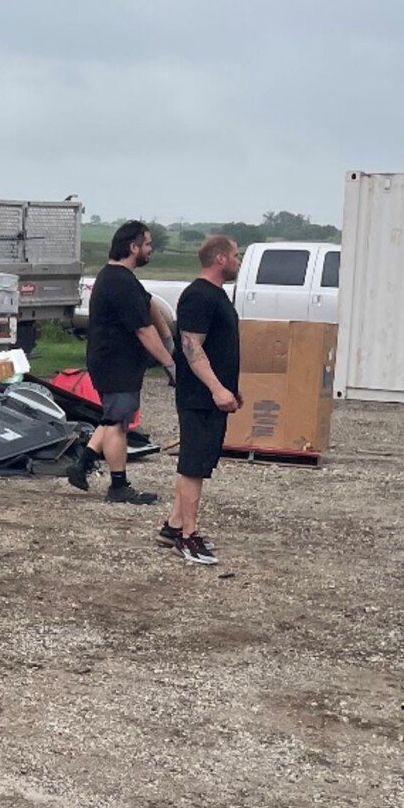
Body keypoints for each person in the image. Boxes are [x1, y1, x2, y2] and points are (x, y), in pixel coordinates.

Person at [68, 220, 177, 504]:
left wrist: (168, 341)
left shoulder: (122, 279)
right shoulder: (119, 282)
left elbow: (150, 303)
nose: (151, 250)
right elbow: (143, 329)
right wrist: (170, 364)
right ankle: (118, 487)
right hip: (115, 362)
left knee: (112, 417)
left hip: (115, 361)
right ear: (133, 247)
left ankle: (82, 464)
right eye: (148, 244)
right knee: (118, 423)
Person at [160, 235, 243, 565]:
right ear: (220, 258)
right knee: (193, 466)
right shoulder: (198, 295)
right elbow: (192, 348)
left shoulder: (216, 295)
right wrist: (215, 389)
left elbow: (219, 347)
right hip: (199, 396)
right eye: (236, 255)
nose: (239, 260)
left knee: (199, 461)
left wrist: (229, 387)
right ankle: (188, 537)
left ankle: (173, 525)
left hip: (213, 394)